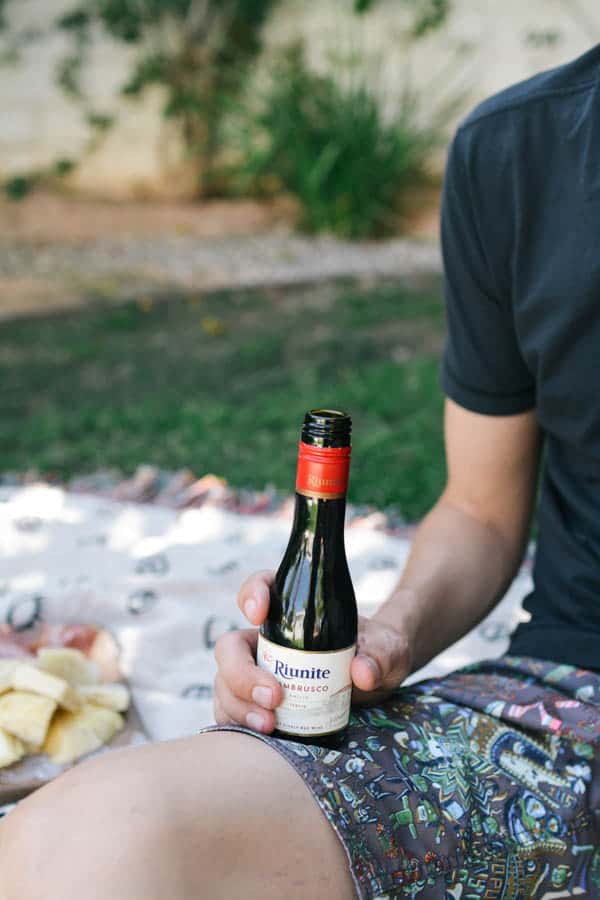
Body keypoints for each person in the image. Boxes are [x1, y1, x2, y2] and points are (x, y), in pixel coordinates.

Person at [2, 45, 600, 900]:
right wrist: (382, 641)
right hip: (568, 702)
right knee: (87, 841)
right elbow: (481, 509)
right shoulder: (514, 152)